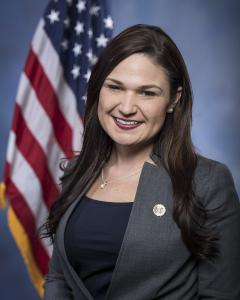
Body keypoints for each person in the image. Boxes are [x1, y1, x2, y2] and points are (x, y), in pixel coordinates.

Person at [41, 24, 240, 300]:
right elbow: (60, 277)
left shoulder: (207, 182)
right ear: (99, 88)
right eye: (115, 87)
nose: (126, 107)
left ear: (173, 99)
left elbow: (221, 295)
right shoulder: (78, 172)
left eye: (147, 93)